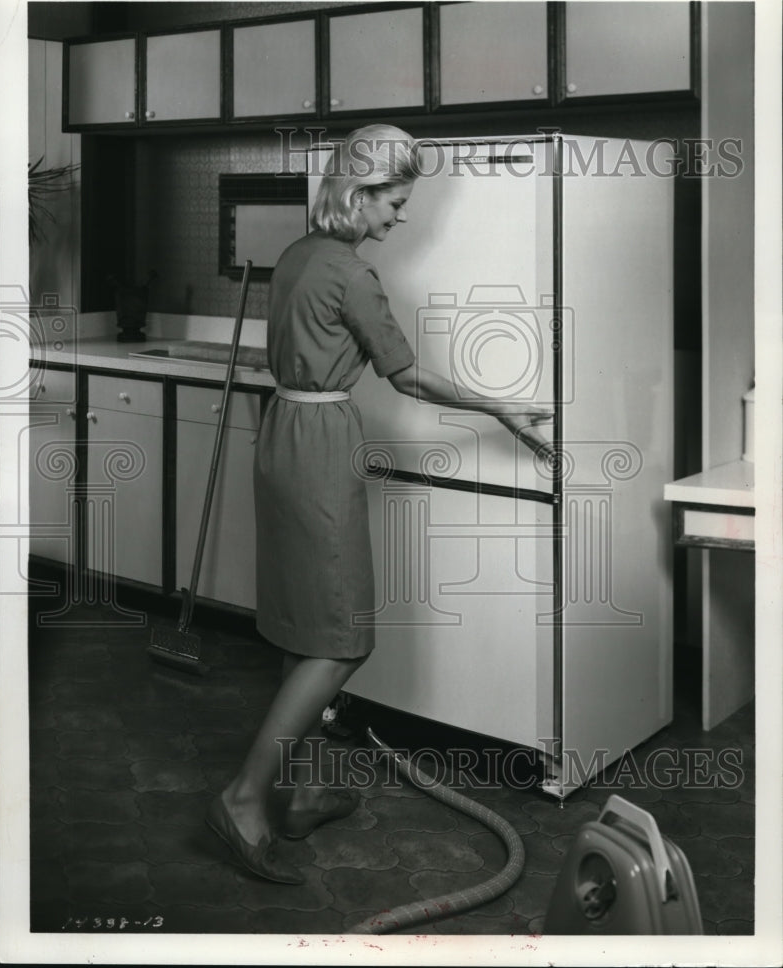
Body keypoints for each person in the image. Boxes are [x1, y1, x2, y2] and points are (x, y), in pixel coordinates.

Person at [206, 125, 553, 884]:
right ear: (361, 195)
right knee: (341, 639)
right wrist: (501, 408)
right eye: (396, 201)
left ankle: (295, 794)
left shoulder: (297, 255)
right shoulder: (352, 275)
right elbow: (407, 376)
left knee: (308, 626)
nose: (400, 216)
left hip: (282, 434)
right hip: (321, 440)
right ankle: (244, 796)